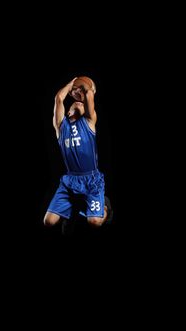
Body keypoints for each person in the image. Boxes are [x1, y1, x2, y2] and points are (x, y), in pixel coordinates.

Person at [43, 77, 113, 232]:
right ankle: (77, 205)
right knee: (48, 221)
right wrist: (71, 83)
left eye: (82, 104)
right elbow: (59, 98)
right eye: (77, 103)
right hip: (70, 180)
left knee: (95, 221)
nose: (80, 103)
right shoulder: (61, 127)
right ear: (69, 111)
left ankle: (105, 207)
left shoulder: (89, 121)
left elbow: (88, 92)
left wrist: (82, 88)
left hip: (91, 179)